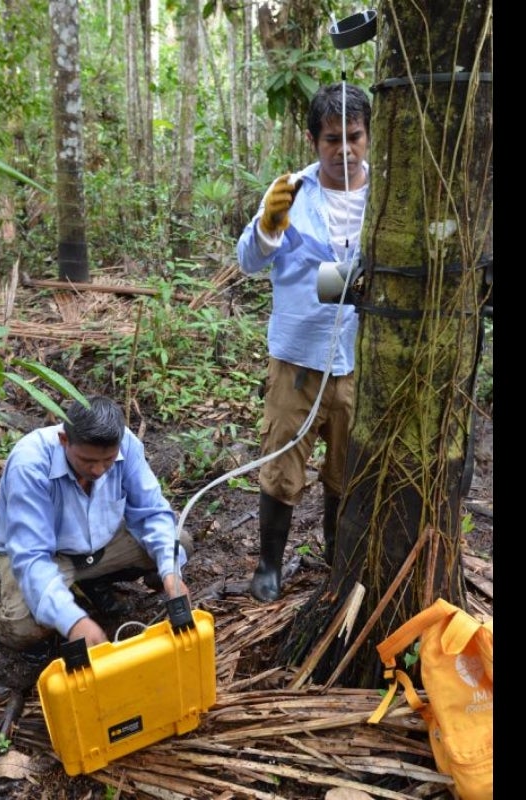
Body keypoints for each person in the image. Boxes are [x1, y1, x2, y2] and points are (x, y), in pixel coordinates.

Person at [236, 81, 372, 602]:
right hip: (296, 355)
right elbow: (248, 262)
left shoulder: (387, 197)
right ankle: (270, 564)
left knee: (346, 466)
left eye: (354, 137)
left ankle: (337, 559)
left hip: (358, 358)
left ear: (367, 137)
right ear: (314, 140)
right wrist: (269, 223)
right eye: (332, 139)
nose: (344, 149)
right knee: (282, 461)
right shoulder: (292, 191)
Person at [0, 395, 192, 649]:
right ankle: (18, 607)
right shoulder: (30, 465)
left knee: (177, 542)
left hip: (102, 545)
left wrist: (171, 573)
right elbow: (31, 557)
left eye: (107, 461)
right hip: (50, 555)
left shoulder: (125, 443)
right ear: (64, 440)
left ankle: (92, 581)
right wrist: (73, 621)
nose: (98, 470)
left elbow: (151, 513)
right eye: (88, 461)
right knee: (20, 627)